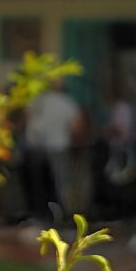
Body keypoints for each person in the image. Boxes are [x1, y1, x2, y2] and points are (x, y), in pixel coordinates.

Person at [22, 82, 84, 221]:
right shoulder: (67, 102)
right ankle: (61, 215)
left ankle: (39, 214)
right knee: (60, 182)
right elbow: (76, 128)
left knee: (37, 184)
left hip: (36, 147)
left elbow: (26, 119)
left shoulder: (35, 101)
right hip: (59, 146)